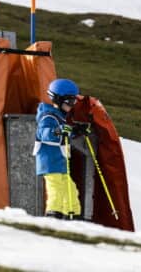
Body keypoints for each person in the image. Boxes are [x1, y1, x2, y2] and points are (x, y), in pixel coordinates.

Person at [35, 78, 88, 220]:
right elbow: (45, 133)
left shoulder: (60, 117)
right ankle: (53, 216)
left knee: (71, 190)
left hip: (60, 162)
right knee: (56, 190)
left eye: (74, 102)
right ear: (57, 99)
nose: (72, 105)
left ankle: (73, 215)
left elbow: (65, 132)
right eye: (69, 101)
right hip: (50, 161)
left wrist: (76, 131)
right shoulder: (48, 115)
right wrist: (60, 131)